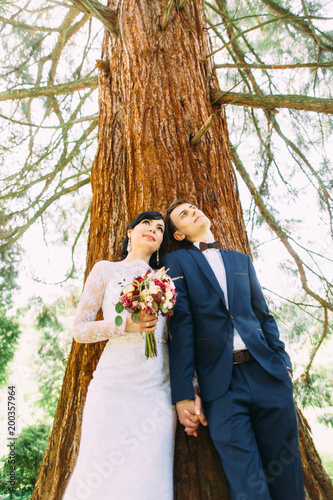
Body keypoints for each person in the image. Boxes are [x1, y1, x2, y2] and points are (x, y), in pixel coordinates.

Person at [163, 200, 305, 500]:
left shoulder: (241, 260)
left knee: (288, 476)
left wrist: (283, 360)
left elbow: (263, 315)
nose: (194, 212)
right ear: (178, 235)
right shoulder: (178, 263)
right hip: (221, 386)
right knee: (246, 483)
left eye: (193, 208)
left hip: (269, 374)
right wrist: (183, 393)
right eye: (184, 215)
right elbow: (182, 328)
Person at [63, 211, 199, 500]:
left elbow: (180, 340)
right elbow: (80, 330)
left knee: (149, 473)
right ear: (129, 232)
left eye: (160, 228)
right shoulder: (105, 270)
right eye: (146, 224)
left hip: (155, 391)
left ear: (163, 240)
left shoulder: (167, 282)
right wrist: (124, 325)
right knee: (98, 471)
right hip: (113, 387)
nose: (153, 230)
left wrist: (192, 385)